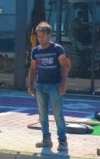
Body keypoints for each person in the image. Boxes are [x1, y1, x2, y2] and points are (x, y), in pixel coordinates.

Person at [28, 21, 69, 152]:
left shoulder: (57, 49)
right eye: (39, 36)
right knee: (42, 115)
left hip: (55, 86)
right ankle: (46, 139)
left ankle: (62, 141)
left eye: (43, 36)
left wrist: (63, 85)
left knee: (58, 114)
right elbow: (33, 69)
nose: (41, 39)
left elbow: (64, 67)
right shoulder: (35, 51)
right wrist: (30, 85)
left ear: (49, 35)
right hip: (40, 86)